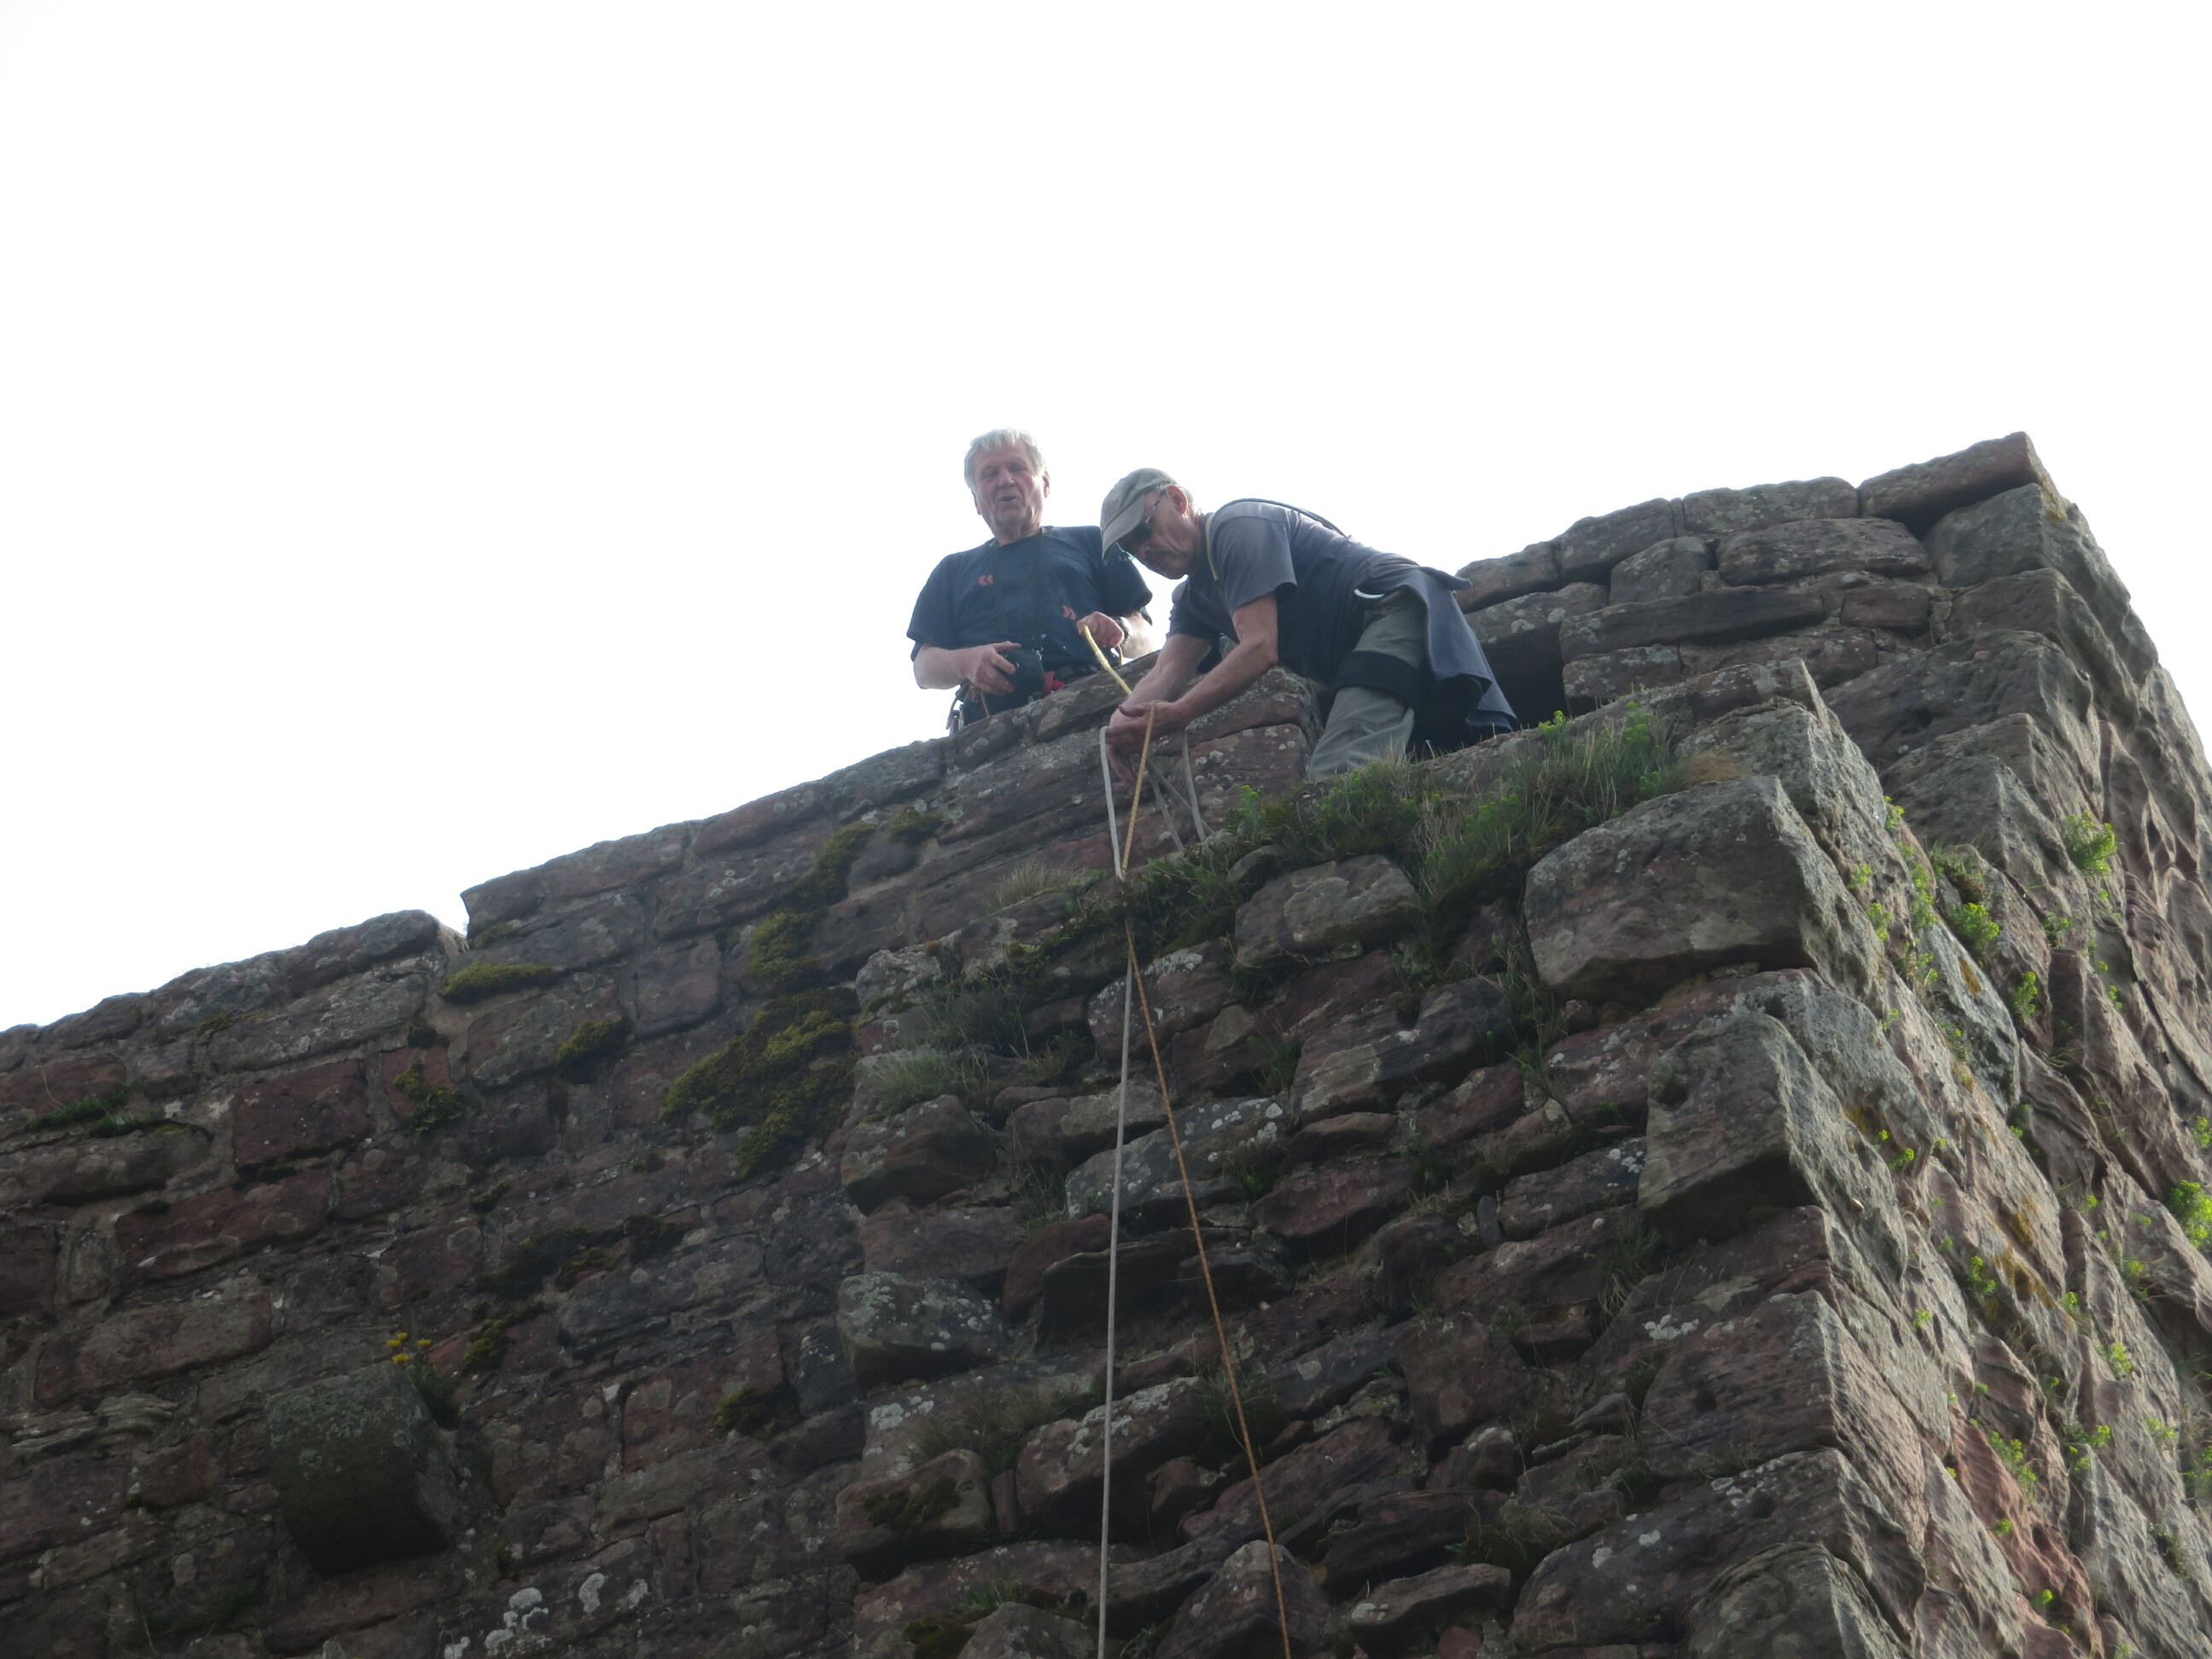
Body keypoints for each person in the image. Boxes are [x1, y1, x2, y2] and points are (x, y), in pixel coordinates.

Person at [1097, 469, 1514, 777]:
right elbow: (1167, 672)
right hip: (1359, 650)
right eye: (1131, 548)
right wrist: (1121, 726)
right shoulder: (1193, 598)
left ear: (1177, 500)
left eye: (1144, 529)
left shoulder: (1237, 527)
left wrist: (1183, 712)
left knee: (1339, 771)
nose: (1144, 550)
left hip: (1393, 609)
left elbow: (1260, 646)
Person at [910, 429, 1154, 728]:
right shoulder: (952, 570)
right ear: (976, 500)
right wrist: (967, 662)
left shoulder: (1093, 542)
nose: (1005, 480)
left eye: (1017, 467)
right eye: (989, 474)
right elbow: (923, 667)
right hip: (990, 726)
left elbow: (1146, 634)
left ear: (1045, 483)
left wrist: (1121, 630)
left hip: (1094, 706)